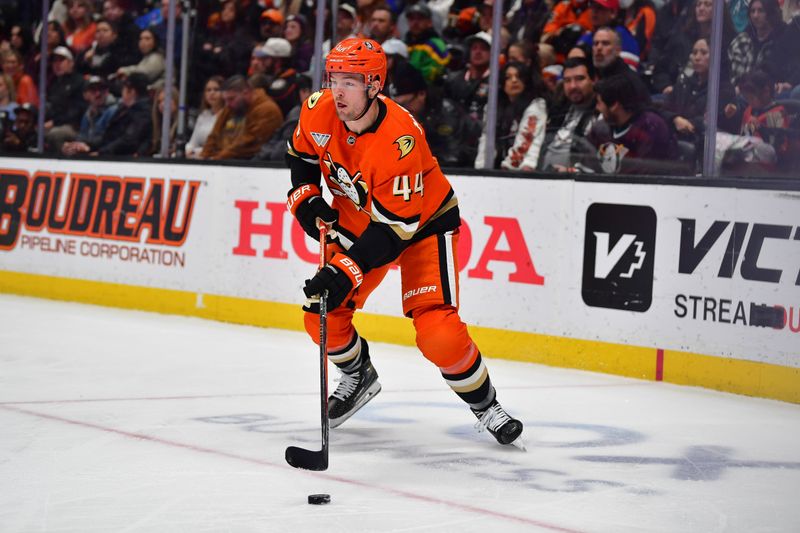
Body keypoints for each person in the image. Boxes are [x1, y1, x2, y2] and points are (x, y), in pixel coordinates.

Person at [285, 38, 525, 448]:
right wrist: (307, 202)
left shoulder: (401, 139)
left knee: (439, 334)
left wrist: (345, 268)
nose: (337, 91)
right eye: (333, 79)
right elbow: (302, 159)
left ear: (375, 84)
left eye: (350, 81)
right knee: (321, 315)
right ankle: (359, 376)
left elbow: (395, 231)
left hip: (421, 225)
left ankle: (486, 406)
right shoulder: (316, 109)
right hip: (362, 219)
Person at [389, 60, 481, 167]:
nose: (401, 109)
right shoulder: (399, 115)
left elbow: (453, 157)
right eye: (397, 105)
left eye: (405, 103)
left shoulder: (448, 114)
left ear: (422, 94)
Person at [589, 74, 677, 174]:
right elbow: (585, 159)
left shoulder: (650, 128)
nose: (597, 108)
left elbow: (647, 175)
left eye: (599, 103)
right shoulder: (601, 128)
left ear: (614, 105)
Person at [476, 61, 549, 170]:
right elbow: (486, 138)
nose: (514, 80)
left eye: (519, 76)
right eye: (508, 77)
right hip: (499, 166)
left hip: (526, 169)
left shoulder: (537, 105)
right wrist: (481, 167)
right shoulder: (492, 107)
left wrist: (507, 168)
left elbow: (526, 141)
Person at [67, 72, 152, 156]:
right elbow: (108, 137)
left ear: (131, 91)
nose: (98, 94)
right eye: (93, 90)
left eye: (123, 88)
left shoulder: (142, 113)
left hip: (121, 160)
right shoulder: (123, 110)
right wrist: (87, 146)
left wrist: (101, 153)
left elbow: (128, 141)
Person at [200, 75, 283, 160]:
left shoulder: (267, 110)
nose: (227, 104)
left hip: (250, 164)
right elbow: (214, 136)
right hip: (223, 160)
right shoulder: (230, 107)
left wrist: (216, 159)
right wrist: (203, 158)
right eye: (225, 100)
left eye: (231, 99)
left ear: (246, 93)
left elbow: (249, 144)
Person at [540, 57, 599, 171]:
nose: (573, 86)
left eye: (579, 79)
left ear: (594, 80)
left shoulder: (602, 114)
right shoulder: (558, 109)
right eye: (567, 80)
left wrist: (570, 171)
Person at [44, 46, 86, 153]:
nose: (57, 64)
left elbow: (77, 111)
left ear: (71, 62)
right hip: (55, 123)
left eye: (61, 60)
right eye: (54, 61)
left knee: (55, 134)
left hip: (74, 125)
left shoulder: (79, 81)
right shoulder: (53, 84)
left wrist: (54, 122)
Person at [62, 76, 118, 156]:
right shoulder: (88, 113)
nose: (98, 94)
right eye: (93, 90)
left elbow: (108, 139)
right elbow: (82, 135)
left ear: (107, 91)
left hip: (107, 155)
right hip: (92, 152)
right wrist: (74, 145)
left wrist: (85, 145)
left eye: (101, 90)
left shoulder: (114, 110)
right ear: (85, 95)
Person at [444, 31, 492, 122]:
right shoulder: (453, 80)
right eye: (474, 48)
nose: (478, 52)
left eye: (483, 48)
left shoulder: (496, 82)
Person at [404, 3, 450, 83]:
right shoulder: (404, 44)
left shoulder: (436, 44)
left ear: (429, 22)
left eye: (420, 19)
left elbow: (434, 73)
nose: (415, 23)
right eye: (412, 19)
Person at [186, 75, 224, 159]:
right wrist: (186, 150)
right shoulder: (203, 115)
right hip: (198, 157)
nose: (212, 93)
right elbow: (193, 142)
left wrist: (197, 152)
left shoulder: (227, 116)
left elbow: (221, 146)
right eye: (208, 90)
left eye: (216, 89)